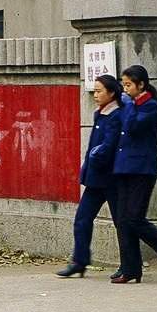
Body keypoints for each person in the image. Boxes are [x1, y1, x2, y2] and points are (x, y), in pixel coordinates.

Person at [110, 65, 157, 284]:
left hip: (142, 170)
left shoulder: (149, 106)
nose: (125, 89)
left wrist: (129, 106)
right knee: (122, 220)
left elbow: (132, 128)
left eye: (129, 85)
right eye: (123, 85)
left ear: (141, 85)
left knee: (134, 218)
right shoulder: (130, 105)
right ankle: (131, 269)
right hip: (123, 168)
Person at [56, 74, 124, 278]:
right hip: (96, 178)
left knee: (121, 222)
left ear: (111, 93)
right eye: (94, 91)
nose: (95, 95)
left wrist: (95, 157)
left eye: (99, 91)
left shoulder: (116, 115)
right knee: (82, 219)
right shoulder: (100, 113)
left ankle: (127, 263)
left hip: (110, 178)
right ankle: (80, 261)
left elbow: (108, 146)